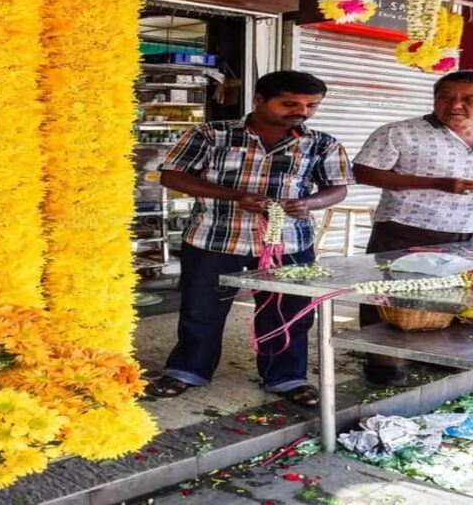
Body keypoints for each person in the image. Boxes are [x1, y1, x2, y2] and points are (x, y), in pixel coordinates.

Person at [146, 71, 352, 407]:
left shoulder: (322, 143)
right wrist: (233, 196)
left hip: (289, 243)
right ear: (258, 100)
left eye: (311, 105)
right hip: (214, 239)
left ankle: (286, 378)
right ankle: (188, 370)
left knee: (288, 312)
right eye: (289, 103)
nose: (301, 111)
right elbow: (172, 175)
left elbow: (337, 188)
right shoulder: (212, 134)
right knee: (202, 310)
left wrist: (310, 202)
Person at [352, 69, 473, 386]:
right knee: (389, 295)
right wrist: (434, 183)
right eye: (446, 97)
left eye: (469, 99)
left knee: (456, 297)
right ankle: (383, 361)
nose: (456, 105)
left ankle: (436, 355)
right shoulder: (399, 133)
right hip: (408, 227)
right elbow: (364, 173)